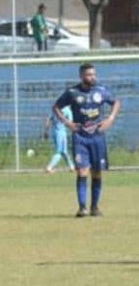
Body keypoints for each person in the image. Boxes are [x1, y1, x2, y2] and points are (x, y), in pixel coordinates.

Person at [52, 63, 121, 217]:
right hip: (80, 137)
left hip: (97, 137)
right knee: (82, 171)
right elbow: (56, 107)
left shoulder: (101, 91)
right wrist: (67, 122)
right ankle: (82, 207)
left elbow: (116, 102)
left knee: (96, 172)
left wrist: (110, 119)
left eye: (93, 74)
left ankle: (94, 207)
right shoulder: (72, 92)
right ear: (81, 76)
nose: (92, 77)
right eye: (89, 75)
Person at [44, 105, 75, 174]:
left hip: (54, 133)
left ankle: (71, 167)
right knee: (59, 152)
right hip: (61, 134)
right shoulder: (67, 111)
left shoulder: (56, 109)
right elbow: (70, 123)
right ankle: (49, 167)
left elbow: (48, 119)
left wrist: (46, 131)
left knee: (64, 151)